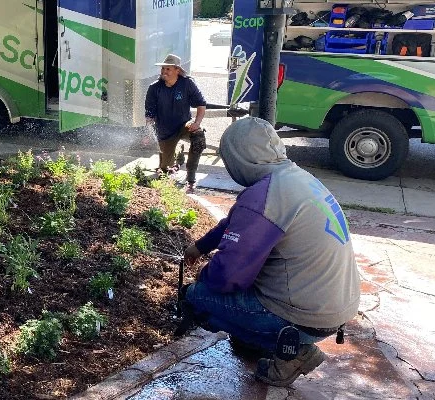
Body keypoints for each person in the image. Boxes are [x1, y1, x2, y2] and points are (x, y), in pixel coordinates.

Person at [181, 117, 360, 386]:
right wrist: (200, 247)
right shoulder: (294, 178)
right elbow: (236, 222)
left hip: (304, 315)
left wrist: (202, 279)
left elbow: (229, 275)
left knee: (198, 297)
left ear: (237, 158)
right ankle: (273, 339)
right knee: (235, 291)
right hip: (336, 307)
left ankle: (292, 351)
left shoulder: (263, 197)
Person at [144, 54, 207, 193]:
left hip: (184, 125)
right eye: (163, 69)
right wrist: (149, 133)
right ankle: (177, 160)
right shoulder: (154, 88)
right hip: (165, 131)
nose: (164, 72)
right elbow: (149, 116)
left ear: (177, 70)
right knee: (165, 170)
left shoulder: (187, 84)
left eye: (168, 69)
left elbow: (201, 105)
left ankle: (191, 179)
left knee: (199, 137)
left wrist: (197, 123)